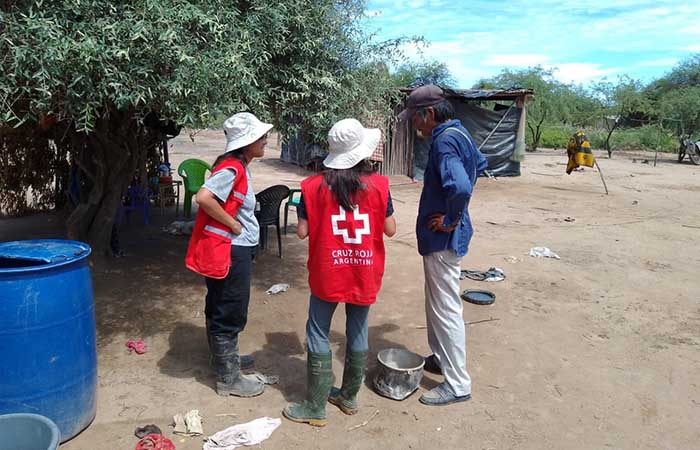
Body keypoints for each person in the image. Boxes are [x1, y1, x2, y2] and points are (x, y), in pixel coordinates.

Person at [283, 118, 397, 426]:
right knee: (358, 330)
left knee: (318, 331)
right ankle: (348, 397)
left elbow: (302, 233)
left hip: (327, 270)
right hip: (364, 271)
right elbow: (390, 230)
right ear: (363, 152)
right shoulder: (380, 186)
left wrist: (306, 210)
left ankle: (315, 406)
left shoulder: (310, 187)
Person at [398, 85, 488, 406]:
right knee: (436, 301)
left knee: (446, 306)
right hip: (448, 233)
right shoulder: (460, 133)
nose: (414, 124)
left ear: (430, 114)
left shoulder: (445, 140)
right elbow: (481, 162)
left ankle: (457, 384)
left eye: (416, 118)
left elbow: (460, 186)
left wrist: (451, 217)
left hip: (443, 236)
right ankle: (440, 356)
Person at [185, 112, 272, 398]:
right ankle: (229, 378)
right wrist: (233, 223)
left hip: (228, 248)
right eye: (260, 137)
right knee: (230, 308)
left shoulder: (238, 166)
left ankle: (226, 361)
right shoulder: (232, 168)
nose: (265, 139)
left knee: (220, 302)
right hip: (231, 249)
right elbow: (204, 198)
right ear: (246, 143)